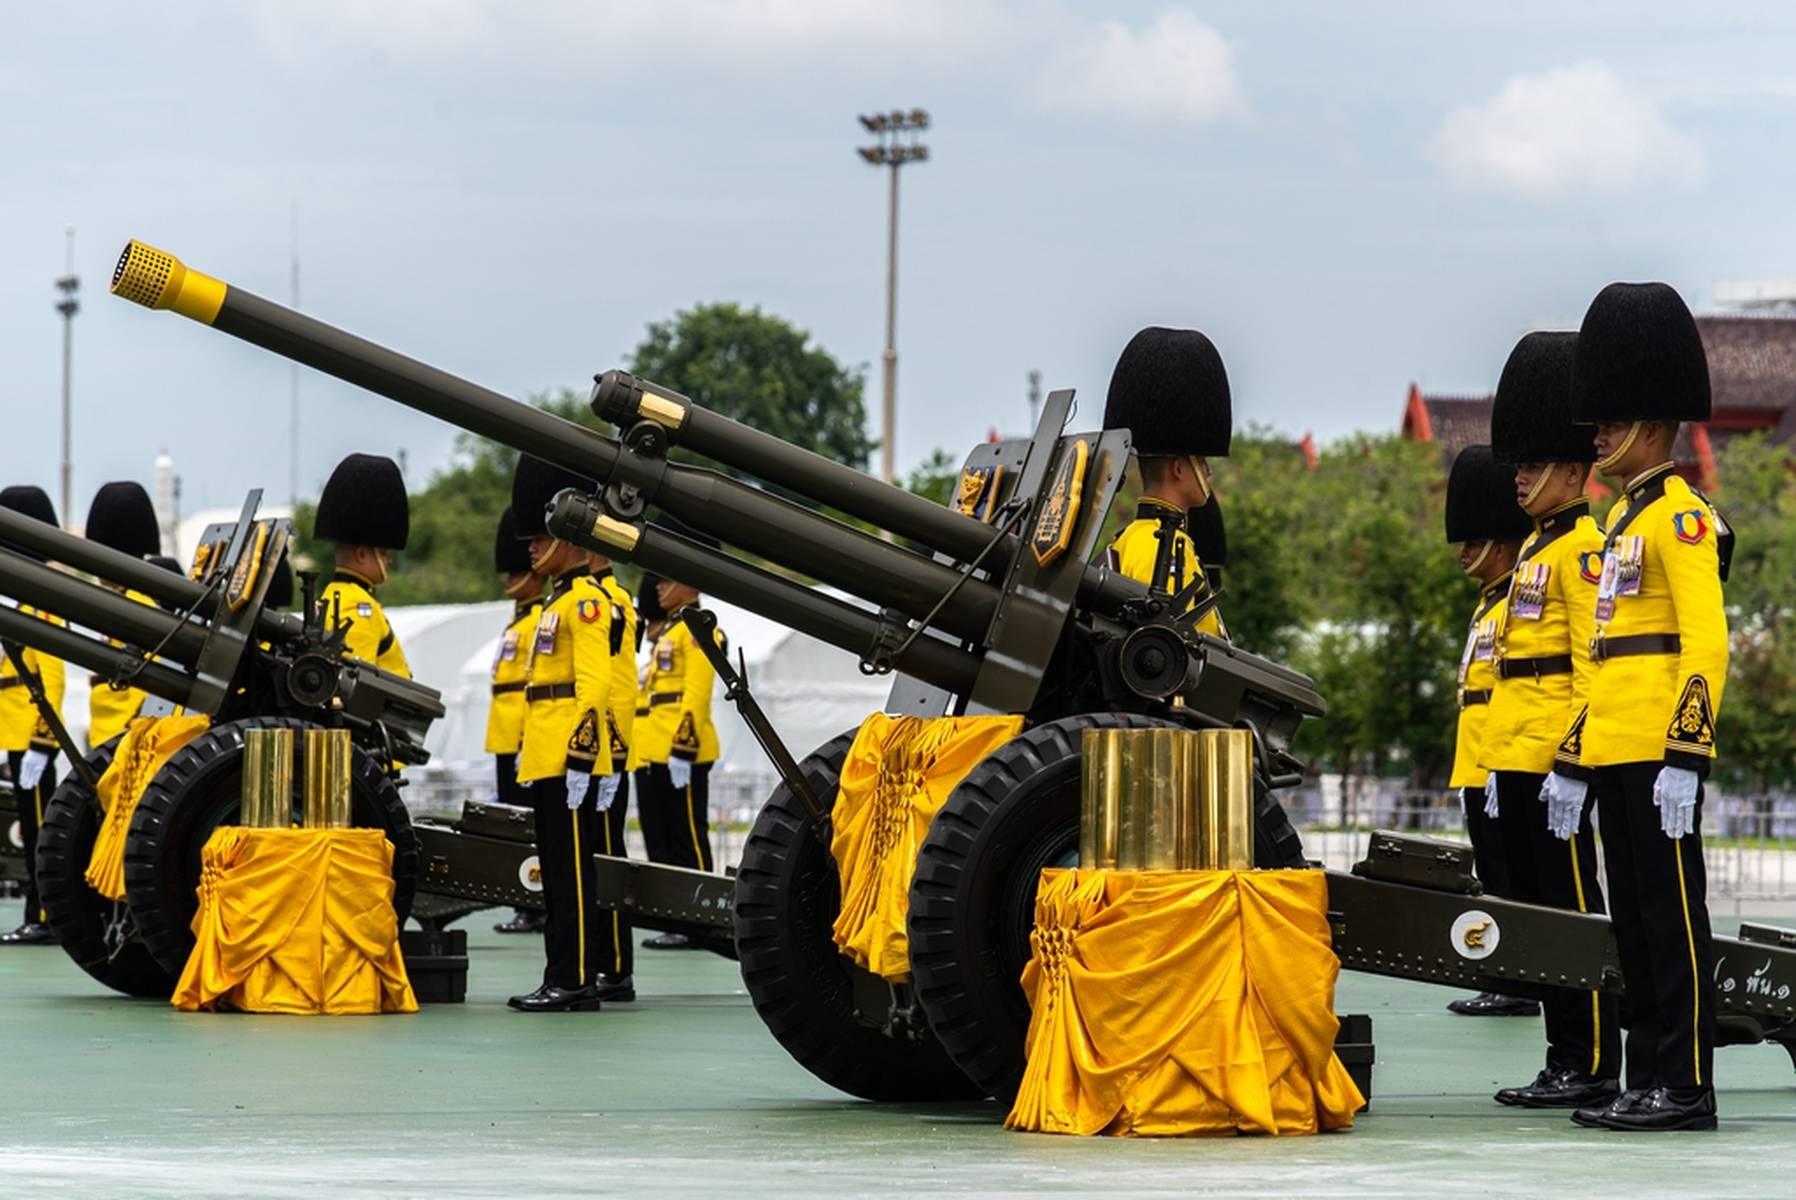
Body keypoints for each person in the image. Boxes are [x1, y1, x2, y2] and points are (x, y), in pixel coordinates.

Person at [1564, 283, 1728, 1133]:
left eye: (1612, 418)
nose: (1595, 434)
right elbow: (1602, 660)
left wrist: (1687, 752)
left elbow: (1705, 644)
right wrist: (1574, 753)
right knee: (1632, 925)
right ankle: (1646, 1074)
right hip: (1614, 752)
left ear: (1653, 424)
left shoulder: (1680, 520)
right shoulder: (1622, 523)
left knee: (1673, 927)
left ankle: (1687, 1083)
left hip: (1659, 753)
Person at [1478, 332, 1621, 1112]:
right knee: (1539, 922)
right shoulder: (1535, 551)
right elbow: (1512, 676)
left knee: (1570, 919)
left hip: (1554, 764)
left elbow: (1588, 669)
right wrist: (1502, 765)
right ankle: (1564, 1058)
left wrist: (1571, 762)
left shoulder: (1585, 551)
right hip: (1518, 758)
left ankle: (1593, 1061)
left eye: (1535, 464)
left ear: (1575, 470)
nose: (1521, 476)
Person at [507, 456, 632, 1011]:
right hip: (550, 752)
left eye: (541, 537)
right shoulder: (560, 598)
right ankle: (567, 973)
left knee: (571, 875)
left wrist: (584, 757)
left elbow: (596, 686)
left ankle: (575, 978)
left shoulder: (583, 602)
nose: (530, 548)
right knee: (557, 874)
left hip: (568, 759)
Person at [1439, 446, 1536, 1018]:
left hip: (1498, 755)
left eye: (1473, 544)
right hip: (1478, 756)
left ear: (1502, 546)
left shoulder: (1510, 606)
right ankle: (1506, 977)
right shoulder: (1487, 605)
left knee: (1509, 876)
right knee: (1493, 875)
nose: (1464, 554)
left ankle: (1518, 983)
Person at [1101, 327, 1229, 639]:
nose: (1209, 472)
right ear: (1179, 469)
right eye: (1201, 461)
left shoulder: (1128, 539)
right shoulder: (1169, 547)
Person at [632, 523, 725, 951]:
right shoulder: (668, 632)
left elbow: (697, 693)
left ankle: (700, 918)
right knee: (663, 839)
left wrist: (682, 747)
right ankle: (676, 916)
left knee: (688, 837)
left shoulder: (701, 630)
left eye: (669, 579)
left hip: (682, 749)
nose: (661, 588)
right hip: (655, 748)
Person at [0, 486, 67, 946]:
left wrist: (43, 745)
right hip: (17, 736)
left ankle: (43, 915)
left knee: (39, 832)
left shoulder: (41, 602)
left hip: (32, 740)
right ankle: (35, 911)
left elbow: (54, 678)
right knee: (32, 829)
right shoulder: (22, 599)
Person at [487, 505, 549, 936]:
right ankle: (522, 899)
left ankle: (535, 901)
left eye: (516, 570)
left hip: (524, 735)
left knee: (528, 825)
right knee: (513, 825)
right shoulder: (515, 623)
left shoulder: (538, 621)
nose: (510, 577)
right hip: (506, 735)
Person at [313, 453, 411, 679]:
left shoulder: (332, 595)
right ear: (362, 554)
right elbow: (357, 682)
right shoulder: (358, 606)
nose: (389, 560)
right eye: (384, 552)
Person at [82, 482, 162, 748]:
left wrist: (129, 738)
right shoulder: (123, 600)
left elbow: (147, 683)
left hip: (123, 737)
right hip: (109, 736)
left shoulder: (136, 604)